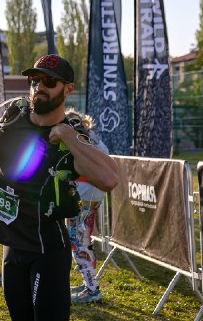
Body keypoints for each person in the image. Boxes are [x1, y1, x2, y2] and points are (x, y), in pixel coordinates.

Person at [0, 54, 118, 321]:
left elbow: (109, 179)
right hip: (11, 247)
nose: (39, 87)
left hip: (47, 250)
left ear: (68, 89)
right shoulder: (13, 117)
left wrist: (70, 139)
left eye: (49, 81)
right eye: (34, 80)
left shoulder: (71, 137)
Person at [65, 109, 110, 305]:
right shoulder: (90, 136)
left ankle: (92, 289)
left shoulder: (79, 137)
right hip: (90, 193)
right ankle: (88, 284)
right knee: (81, 239)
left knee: (78, 240)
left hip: (85, 194)